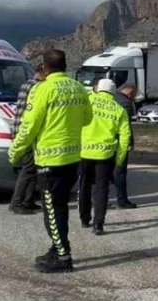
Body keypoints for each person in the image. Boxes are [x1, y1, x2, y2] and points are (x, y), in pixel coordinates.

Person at [9, 49, 92, 273]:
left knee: (52, 211)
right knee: (60, 207)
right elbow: (87, 119)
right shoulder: (78, 88)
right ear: (65, 66)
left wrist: (15, 151)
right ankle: (57, 248)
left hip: (49, 160)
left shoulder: (42, 90)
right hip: (72, 158)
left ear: (45, 68)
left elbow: (29, 126)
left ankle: (63, 257)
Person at [77, 78, 132, 235]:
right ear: (114, 92)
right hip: (105, 155)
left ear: (97, 89)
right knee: (102, 189)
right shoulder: (118, 109)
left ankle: (84, 218)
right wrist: (119, 159)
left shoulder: (87, 101)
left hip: (83, 152)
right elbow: (124, 137)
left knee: (84, 186)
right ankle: (98, 224)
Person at [8, 63, 46, 214]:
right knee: (28, 169)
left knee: (33, 168)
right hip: (27, 132)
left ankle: (28, 200)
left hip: (21, 130)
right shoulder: (36, 88)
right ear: (42, 73)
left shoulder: (27, 85)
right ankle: (17, 202)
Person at [112, 81, 138, 208]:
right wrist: (130, 142)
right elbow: (126, 126)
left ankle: (100, 201)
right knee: (120, 172)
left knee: (104, 174)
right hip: (120, 142)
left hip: (104, 141)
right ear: (130, 91)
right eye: (135, 94)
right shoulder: (125, 103)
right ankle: (122, 200)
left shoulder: (111, 97)